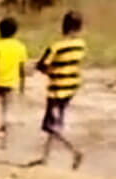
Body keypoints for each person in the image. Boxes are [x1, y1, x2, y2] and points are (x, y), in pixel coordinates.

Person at [35, 11, 88, 169]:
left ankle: (75, 151)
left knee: (50, 125)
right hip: (71, 87)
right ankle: (45, 158)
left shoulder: (56, 47)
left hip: (57, 89)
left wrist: (47, 71)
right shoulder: (81, 45)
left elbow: (42, 65)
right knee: (56, 122)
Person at [0, 17, 27, 145]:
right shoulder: (20, 47)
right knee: (6, 109)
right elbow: (22, 69)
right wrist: (22, 85)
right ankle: (5, 139)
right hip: (12, 82)